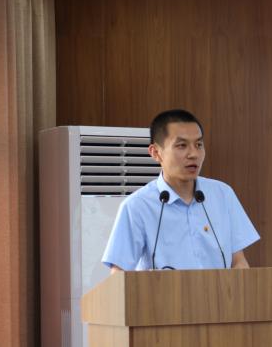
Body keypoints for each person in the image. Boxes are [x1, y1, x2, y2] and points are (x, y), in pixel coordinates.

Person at [102, 109, 259, 271]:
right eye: (182, 146)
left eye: (198, 145)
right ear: (156, 153)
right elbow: (119, 273)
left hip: (220, 289)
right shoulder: (137, 206)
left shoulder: (223, 194)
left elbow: (239, 262)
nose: (193, 154)